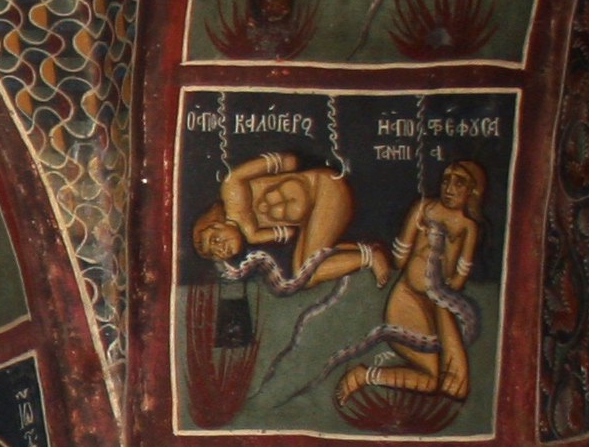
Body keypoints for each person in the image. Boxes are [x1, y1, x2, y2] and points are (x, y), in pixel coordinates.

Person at [337, 158, 485, 412]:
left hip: (438, 304)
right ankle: (362, 376)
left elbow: (461, 274)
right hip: (407, 300)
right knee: (436, 380)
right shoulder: (424, 209)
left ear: (472, 191)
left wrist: (442, 293)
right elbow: (401, 256)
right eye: (446, 180)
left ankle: (367, 376)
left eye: (458, 183)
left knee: (444, 384)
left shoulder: (468, 227)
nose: (449, 187)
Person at [190, 146, 380, 295]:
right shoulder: (252, 235)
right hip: (316, 211)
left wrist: (279, 167)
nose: (222, 248)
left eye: (215, 240)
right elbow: (288, 233)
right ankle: (360, 252)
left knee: (309, 272)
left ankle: (370, 257)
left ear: (216, 223)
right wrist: (256, 235)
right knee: (302, 274)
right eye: (218, 253)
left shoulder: (232, 187)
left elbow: (287, 161)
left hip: (326, 192)